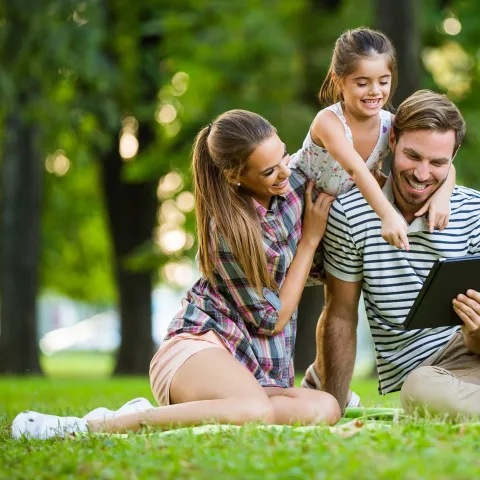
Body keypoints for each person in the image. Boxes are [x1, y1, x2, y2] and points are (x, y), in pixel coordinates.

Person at [12, 109, 341, 440]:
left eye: (284, 155)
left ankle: (177, 414)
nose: (286, 171)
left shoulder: (287, 184)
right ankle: (88, 427)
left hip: (248, 371)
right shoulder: (228, 232)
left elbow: (335, 140)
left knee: (325, 408)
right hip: (196, 350)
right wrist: (310, 240)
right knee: (254, 411)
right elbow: (272, 319)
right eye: (270, 170)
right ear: (235, 176)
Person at [292, 27, 456, 407]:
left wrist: (443, 196)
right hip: (299, 209)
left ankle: (321, 375)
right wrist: (387, 215)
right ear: (339, 81)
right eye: (362, 82)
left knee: (341, 296)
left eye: (383, 81)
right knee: (282, 297)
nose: (374, 91)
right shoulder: (328, 122)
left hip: (339, 212)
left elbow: (438, 155)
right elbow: (356, 170)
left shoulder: (390, 124)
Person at [313, 89, 480, 418]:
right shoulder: (351, 213)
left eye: (437, 163)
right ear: (392, 144)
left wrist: (475, 332)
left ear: (453, 157)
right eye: (412, 156)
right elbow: (341, 314)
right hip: (432, 377)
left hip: (472, 354)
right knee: (420, 388)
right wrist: (330, 405)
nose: (421, 174)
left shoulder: (473, 210)